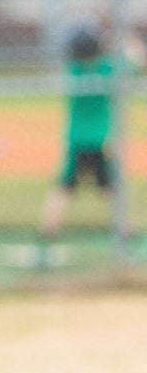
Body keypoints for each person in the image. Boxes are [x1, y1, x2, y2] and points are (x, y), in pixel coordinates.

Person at [39, 20, 144, 251]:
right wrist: (120, 35)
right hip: (102, 140)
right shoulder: (107, 68)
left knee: (65, 187)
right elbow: (138, 57)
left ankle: (48, 233)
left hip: (76, 140)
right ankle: (125, 232)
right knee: (113, 188)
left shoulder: (73, 71)